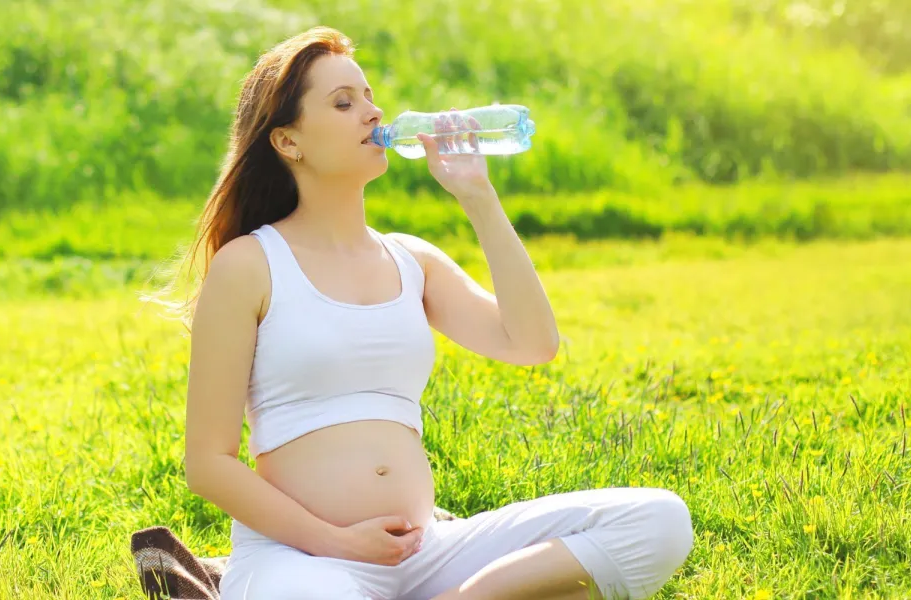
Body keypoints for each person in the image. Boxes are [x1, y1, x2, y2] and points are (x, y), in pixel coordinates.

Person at [147, 26, 694, 600]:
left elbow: (533, 343)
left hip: (426, 554)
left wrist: (477, 196)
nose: (372, 112)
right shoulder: (250, 265)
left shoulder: (410, 260)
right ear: (288, 142)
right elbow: (208, 464)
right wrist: (338, 542)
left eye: (368, 95)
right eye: (343, 102)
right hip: (304, 560)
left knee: (658, 519)